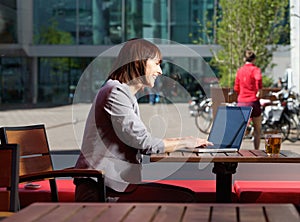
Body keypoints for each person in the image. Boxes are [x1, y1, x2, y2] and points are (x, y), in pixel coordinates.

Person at [74, 38, 213, 202]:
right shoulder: (115, 92)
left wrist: (182, 141)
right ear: (139, 62)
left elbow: (141, 141)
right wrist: (186, 142)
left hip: (111, 185)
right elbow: (145, 143)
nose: (160, 71)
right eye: (156, 64)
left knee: (183, 197)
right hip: (101, 189)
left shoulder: (121, 92)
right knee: (184, 199)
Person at [234, 49, 263, 150]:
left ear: (244, 59)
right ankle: (256, 150)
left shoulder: (240, 70)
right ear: (254, 59)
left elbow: (236, 88)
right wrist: (258, 89)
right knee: (257, 129)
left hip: (242, 102)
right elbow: (258, 79)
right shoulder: (255, 70)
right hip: (253, 101)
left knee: (240, 130)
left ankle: (236, 150)